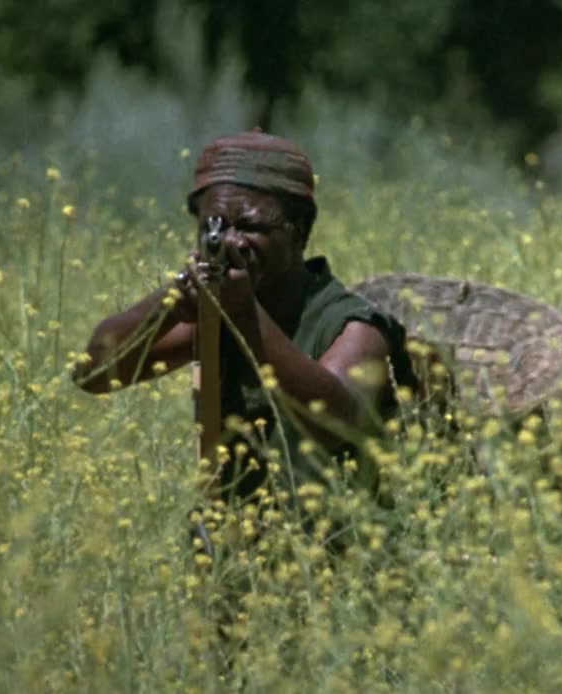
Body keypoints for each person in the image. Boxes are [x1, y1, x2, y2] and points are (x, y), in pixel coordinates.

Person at [72, 129, 418, 539]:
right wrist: (172, 301)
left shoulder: (353, 326)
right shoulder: (215, 316)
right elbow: (94, 373)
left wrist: (244, 312)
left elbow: (332, 425)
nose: (233, 242)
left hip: (345, 557)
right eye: (214, 227)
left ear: (298, 231)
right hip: (242, 559)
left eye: (251, 226)